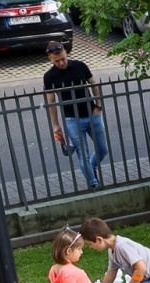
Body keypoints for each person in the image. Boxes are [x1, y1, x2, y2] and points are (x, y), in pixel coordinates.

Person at [42, 42, 109, 190]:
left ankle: (91, 168)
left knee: (103, 149)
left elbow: (93, 83)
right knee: (82, 154)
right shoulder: (49, 76)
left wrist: (98, 105)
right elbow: (51, 102)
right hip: (72, 119)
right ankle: (94, 184)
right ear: (50, 59)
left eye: (63, 58)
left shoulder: (80, 65)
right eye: (56, 60)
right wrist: (55, 124)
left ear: (66, 53)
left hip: (91, 113)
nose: (61, 62)